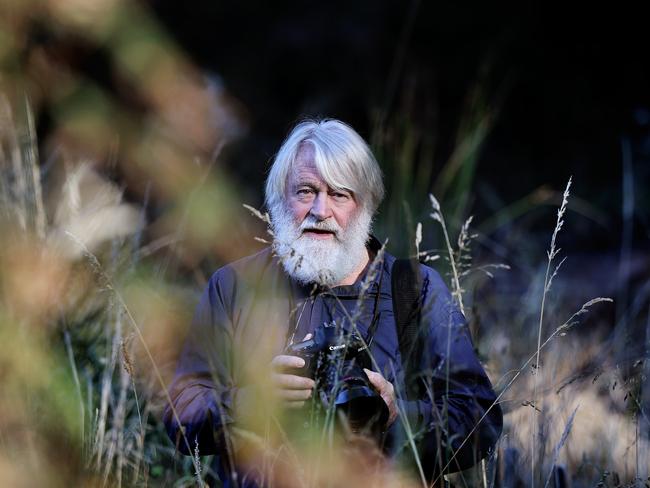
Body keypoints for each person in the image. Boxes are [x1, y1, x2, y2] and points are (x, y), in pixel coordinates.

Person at [163, 119, 502, 486]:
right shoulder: (236, 287)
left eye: (340, 194)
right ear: (279, 199)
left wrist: (395, 416)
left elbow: (480, 421)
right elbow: (181, 416)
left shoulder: (414, 291)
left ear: (366, 206)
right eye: (306, 191)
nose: (320, 210)